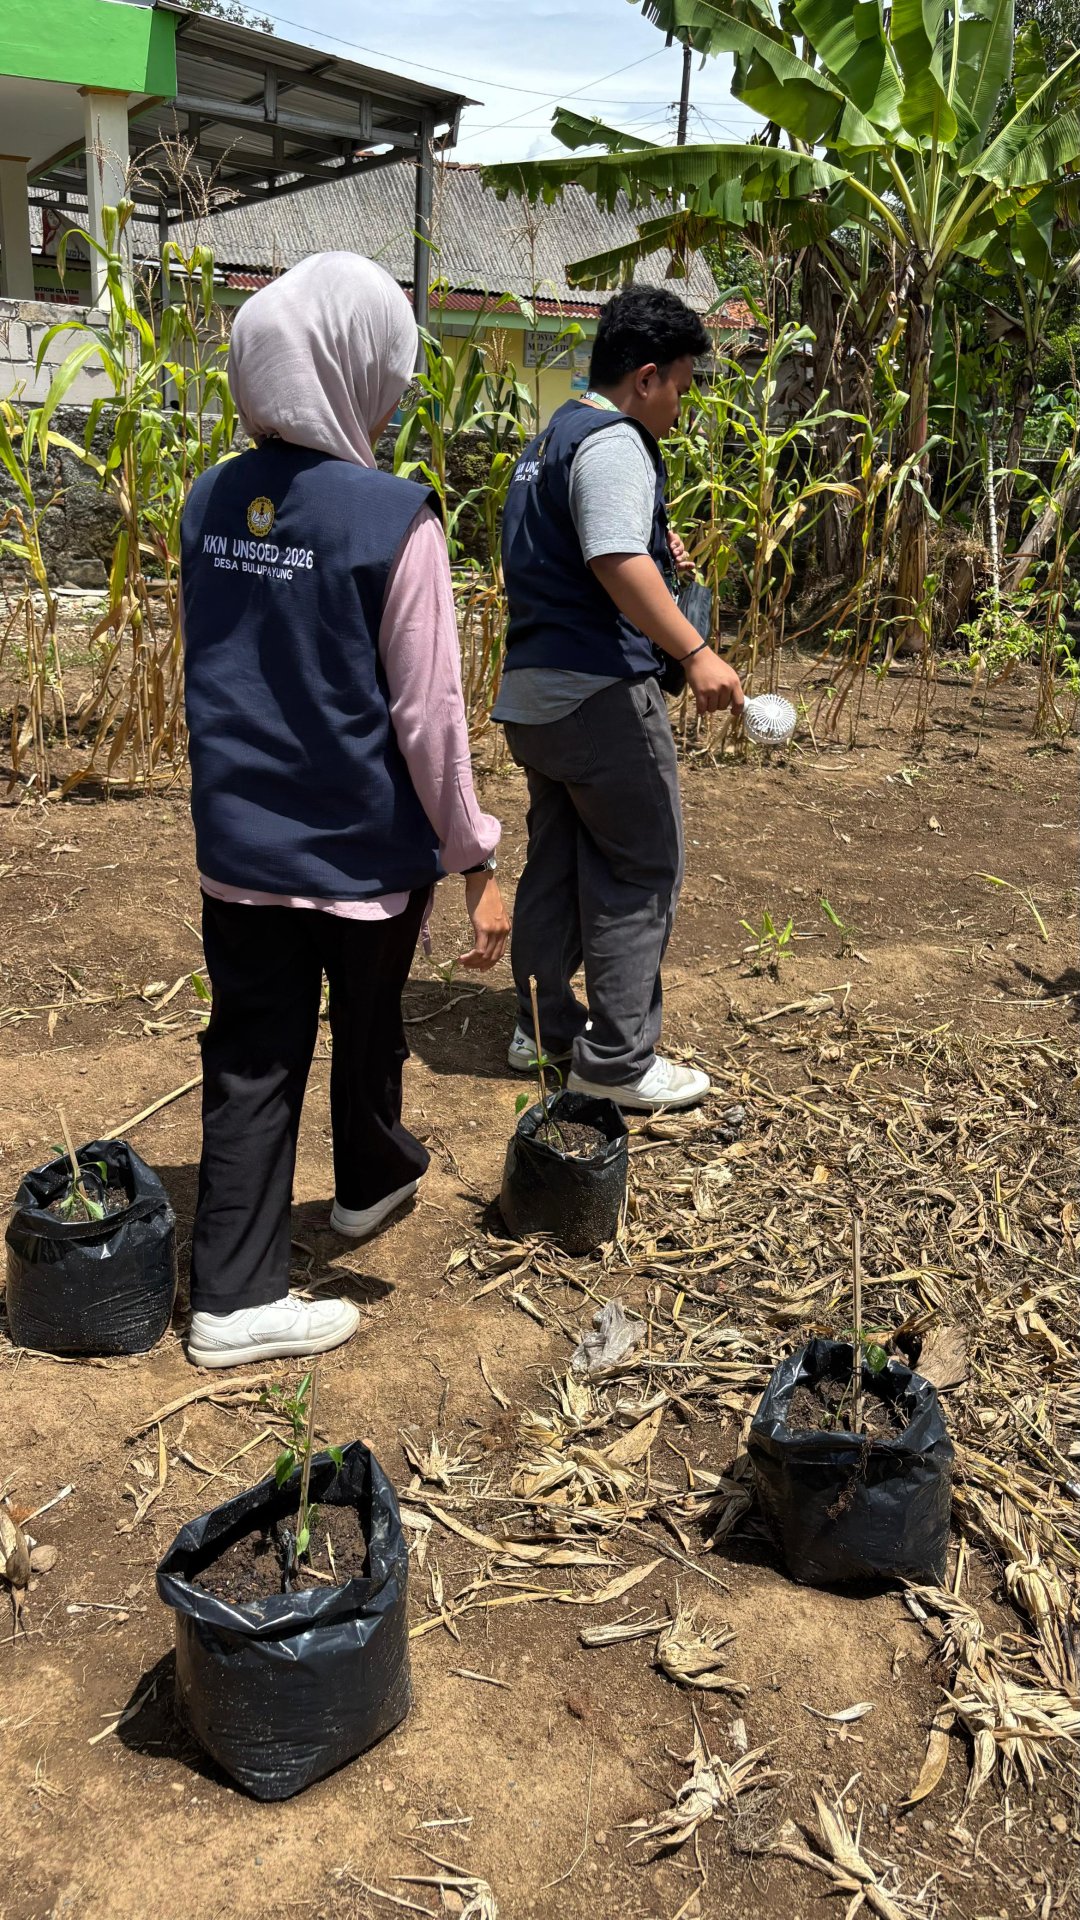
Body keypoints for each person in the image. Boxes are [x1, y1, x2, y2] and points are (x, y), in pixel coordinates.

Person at [179, 253, 509, 1369]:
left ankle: (231, 1288)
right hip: (362, 860)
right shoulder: (394, 520)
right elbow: (431, 719)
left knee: (252, 1055)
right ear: (351, 364)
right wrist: (476, 856)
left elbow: (225, 662)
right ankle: (362, 1191)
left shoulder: (209, 500)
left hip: (239, 846)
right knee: (368, 1032)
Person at [496, 284, 743, 1112]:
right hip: (598, 693)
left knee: (560, 859)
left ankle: (542, 1023)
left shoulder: (549, 443)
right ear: (645, 378)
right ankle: (618, 1061)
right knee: (641, 865)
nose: (681, 402)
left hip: (533, 698)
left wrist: (648, 541)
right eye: (679, 383)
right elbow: (611, 558)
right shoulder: (614, 443)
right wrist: (697, 652)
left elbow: (573, 550)